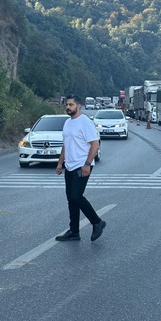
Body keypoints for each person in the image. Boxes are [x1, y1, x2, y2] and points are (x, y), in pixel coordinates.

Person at [55, 95, 106, 242]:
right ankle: (74, 232)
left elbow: (95, 145)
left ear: (78, 106)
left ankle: (97, 222)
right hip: (69, 166)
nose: (68, 107)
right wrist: (60, 163)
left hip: (82, 165)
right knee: (71, 199)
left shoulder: (85, 122)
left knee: (76, 196)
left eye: (71, 105)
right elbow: (66, 144)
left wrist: (87, 164)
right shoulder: (67, 123)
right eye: (67, 104)